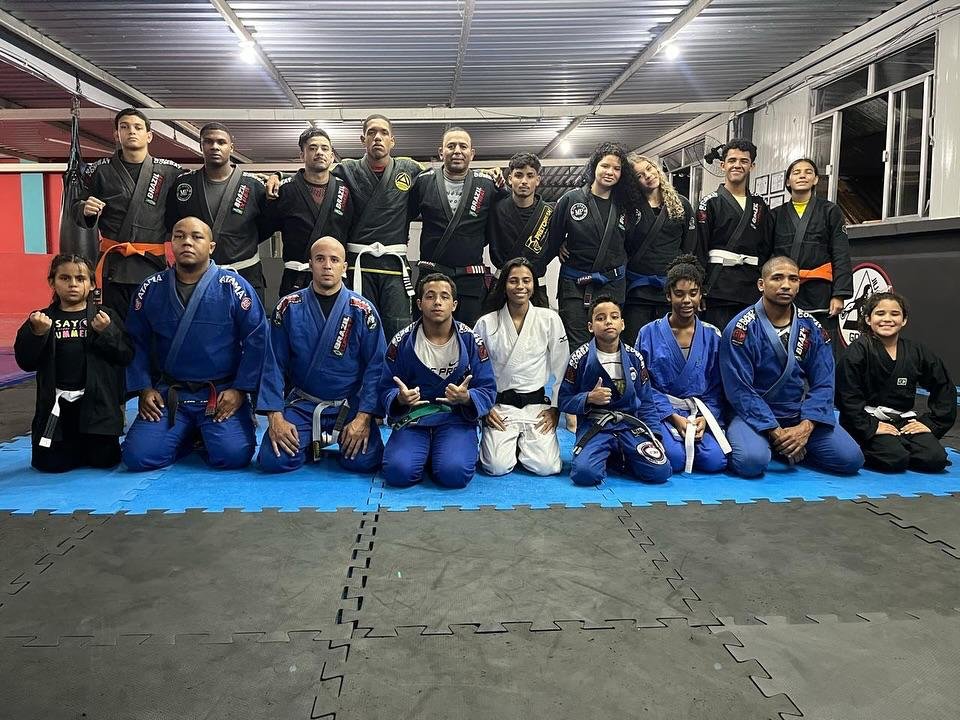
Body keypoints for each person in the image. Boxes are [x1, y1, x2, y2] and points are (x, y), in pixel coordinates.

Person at [122, 217, 268, 471]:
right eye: (179, 236)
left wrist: (240, 390)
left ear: (211, 246)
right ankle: (189, 437)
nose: (187, 242)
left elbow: (258, 340)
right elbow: (136, 341)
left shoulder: (234, 287)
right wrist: (144, 388)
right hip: (170, 393)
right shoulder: (151, 288)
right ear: (171, 243)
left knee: (233, 456)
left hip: (219, 394)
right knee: (137, 457)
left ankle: (199, 432)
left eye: (196, 236)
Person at [720, 255, 863, 478]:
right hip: (752, 415)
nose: (786, 285)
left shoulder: (812, 327)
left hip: (795, 413)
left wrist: (806, 427)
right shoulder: (741, 329)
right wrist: (774, 430)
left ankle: (790, 445)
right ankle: (778, 445)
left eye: (793, 279)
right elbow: (739, 390)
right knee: (751, 461)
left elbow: (825, 383)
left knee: (851, 459)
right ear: (761, 284)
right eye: (777, 278)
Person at [257, 237, 386, 473]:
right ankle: (309, 443)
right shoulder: (288, 307)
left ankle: (315, 442)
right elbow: (273, 363)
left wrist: (363, 418)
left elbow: (376, 367)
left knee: (363, 461)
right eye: (320, 259)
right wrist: (275, 417)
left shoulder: (363, 310)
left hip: (349, 406)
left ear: (344, 268)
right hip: (304, 405)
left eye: (334, 260)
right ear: (310, 265)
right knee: (273, 460)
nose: (327, 266)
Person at [14, 255, 132, 473]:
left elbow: (126, 355)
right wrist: (37, 334)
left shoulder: (105, 317)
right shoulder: (41, 319)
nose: (73, 284)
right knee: (49, 465)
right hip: (57, 410)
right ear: (52, 282)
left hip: (97, 408)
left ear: (92, 284)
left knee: (105, 461)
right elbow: (25, 363)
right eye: (65, 278)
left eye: (80, 278)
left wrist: (107, 333)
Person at [378, 273, 497, 488]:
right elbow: (386, 385)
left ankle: (438, 454)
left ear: (454, 305)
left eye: (444, 296)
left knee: (454, 474)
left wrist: (467, 398)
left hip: (455, 419)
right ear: (419, 303)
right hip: (414, 419)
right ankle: (424, 453)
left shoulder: (470, 339)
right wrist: (399, 399)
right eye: (430, 296)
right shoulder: (402, 341)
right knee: (398, 472)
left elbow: (487, 387)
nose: (437, 302)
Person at [73, 108, 183, 318]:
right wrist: (84, 209)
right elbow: (77, 206)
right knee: (112, 323)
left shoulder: (170, 171)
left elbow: (191, 198)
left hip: (152, 263)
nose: (131, 131)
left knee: (153, 324)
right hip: (114, 265)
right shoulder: (99, 171)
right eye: (124, 127)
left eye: (138, 127)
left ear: (149, 135)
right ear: (116, 134)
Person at [558, 295, 672, 487]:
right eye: (600, 318)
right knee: (584, 474)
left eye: (614, 317)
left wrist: (655, 435)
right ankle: (611, 455)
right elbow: (564, 400)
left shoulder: (635, 358)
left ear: (622, 324)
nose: (608, 322)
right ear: (590, 326)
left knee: (661, 471)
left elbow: (646, 402)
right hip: (596, 426)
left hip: (629, 426)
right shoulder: (580, 358)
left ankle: (618, 456)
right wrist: (588, 398)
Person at [836, 291, 955, 473]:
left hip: (903, 421)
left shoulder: (917, 351)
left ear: (904, 320)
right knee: (894, 458)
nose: (887, 319)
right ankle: (868, 447)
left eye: (895, 314)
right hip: (866, 421)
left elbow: (943, 386)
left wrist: (931, 423)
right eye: (880, 313)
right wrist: (871, 426)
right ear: (868, 319)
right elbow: (846, 396)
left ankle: (898, 446)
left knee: (935, 459)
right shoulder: (857, 352)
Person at [333, 114, 426, 339]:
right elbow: (315, 177)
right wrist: (278, 176)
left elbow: (442, 179)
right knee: (360, 330)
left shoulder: (410, 168)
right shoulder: (346, 169)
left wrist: (486, 174)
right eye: (372, 132)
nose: (377, 137)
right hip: (358, 266)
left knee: (398, 330)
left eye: (384, 133)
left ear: (392, 141)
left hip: (394, 267)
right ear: (362, 139)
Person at [474, 258, 568, 476]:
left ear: (534, 284)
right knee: (495, 467)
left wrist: (555, 409)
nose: (520, 286)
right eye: (513, 281)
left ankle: (521, 444)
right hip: (500, 407)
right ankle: (511, 444)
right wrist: (484, 408)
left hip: (536, 407)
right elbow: (475, 370)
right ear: (504, 285)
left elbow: (562, 367)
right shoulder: (486, 323)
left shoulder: (549, 319)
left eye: (526, 281)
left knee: (547, 467)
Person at [636, 255, 729, 474]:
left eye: (693, 293)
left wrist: (706, 419)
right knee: (675, 459)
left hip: (699, 412)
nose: (687, 300)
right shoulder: (648, 333)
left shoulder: (713, 335)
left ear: (700, 295)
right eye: (679, 294)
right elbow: (642, 385)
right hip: (663, 412)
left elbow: (717, 386)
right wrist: (673, 416)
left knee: (715, 461)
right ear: (668, 295)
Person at [165, 123, 271, 304]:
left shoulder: (254, 186)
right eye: (208, 142)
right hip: (195, 275)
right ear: (201, 146)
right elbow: (172, 224)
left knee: (248, 321)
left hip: (244, 273)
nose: (215, 146)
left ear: (231, 147)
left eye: (221, 142)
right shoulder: (184, 184)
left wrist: (238, 241)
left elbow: (267, 226)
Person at [549, 142, 642, 350]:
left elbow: (631, 244)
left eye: (616, 168)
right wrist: (560, 244)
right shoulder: (571, 200)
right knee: (577, 345)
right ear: (594, 167)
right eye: (605, 166)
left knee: (609, 342)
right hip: (575, 284)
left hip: (612, 285)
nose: (610, 172)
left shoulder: (626, 205)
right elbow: (553, 238)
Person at [409, 127, 505, 327]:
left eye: (463, 146)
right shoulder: (424, 182)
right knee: (426, 334)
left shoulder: (486, 184)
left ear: (472, 153)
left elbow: (507, 218)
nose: (457, 151)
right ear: (441, 152)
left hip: (470, 279)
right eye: (451, 146)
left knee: (468, 335)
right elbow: (401, 215)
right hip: (432, 276)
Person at [263, 128, 355, 297]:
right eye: (313, 148)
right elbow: (262, 229)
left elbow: (352, 231)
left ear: (332, 156)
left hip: (335, 279)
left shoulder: (345, 190)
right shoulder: (285, 190)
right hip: (296, 278)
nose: (319, 152)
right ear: (302, 156)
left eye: (325, 148)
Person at [694, 139, 773, 332]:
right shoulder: (709, 203)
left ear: (752, 166)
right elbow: (698, 249)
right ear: (723, 165)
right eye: (732, 160)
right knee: (718, 341)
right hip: (717, 289)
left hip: (751, 289)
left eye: (744, 161)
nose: (737, 165)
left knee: (748, 342)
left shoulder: (759, 205)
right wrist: (699, 289)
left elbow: (766, 248)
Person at [771, 158, 852, 345]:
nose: (802, 176)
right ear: (787, 181)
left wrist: (839, 294)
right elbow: (767, 255)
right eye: (796, 172)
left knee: (820, 345)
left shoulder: (830, 211)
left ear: (815, 179)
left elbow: (841, 254)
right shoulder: (775, 215)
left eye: (808, 172)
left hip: (820, 292)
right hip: (784, 290)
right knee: (783, 344)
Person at [623, 153, 696, 342]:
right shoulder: (628, 208)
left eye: (649, 169)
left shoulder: (681, 204)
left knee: (669, 345)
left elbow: (690, 248)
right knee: (636, 344)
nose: (647, 175)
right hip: (637, 292)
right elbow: (618, 245)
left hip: (670, 292)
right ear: (634, 182)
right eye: (639, 175)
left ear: (656, 168)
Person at [487, 153, 555, 306]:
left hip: (536, 286)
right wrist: (485, 173)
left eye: (530, 176)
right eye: (518, 175)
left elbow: (561, 240)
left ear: (538, 180)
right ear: (510, 178)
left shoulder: (550, 213)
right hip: (501, 284)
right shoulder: (496, 209)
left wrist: (564, 243)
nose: (524, 181)